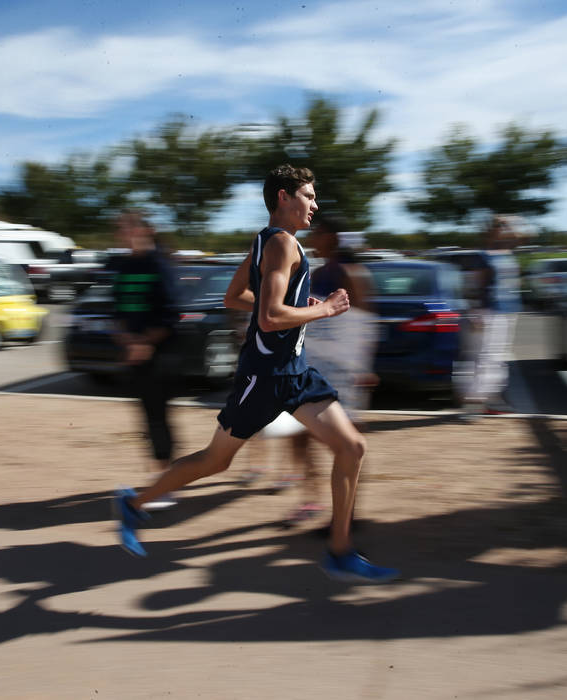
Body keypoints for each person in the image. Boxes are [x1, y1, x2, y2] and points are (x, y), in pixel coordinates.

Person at [113, 164, 398, 583]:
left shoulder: (265, 241)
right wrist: (323, 310)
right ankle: (134, 503)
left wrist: (301, 306)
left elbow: (235, 297)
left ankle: (339, 551)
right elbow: (268, 318)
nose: (315, 205)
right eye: (309, 196)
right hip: (263, 378)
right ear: (283, 198)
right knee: (215, 462)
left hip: (294, 373)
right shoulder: (283, 245)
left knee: (352, 447)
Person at [286, 215, 379, 524]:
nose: (312, 238)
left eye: (319, 233)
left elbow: (366, 324)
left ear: (333, 238)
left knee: (346, 445)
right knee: (298, 433)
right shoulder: (314, 273)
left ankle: (348, 514)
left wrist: (365, 368)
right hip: (316, 368)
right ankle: (311, 499)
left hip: (346, 375)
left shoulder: (352, 274)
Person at [107, 210, 179, 510]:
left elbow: (172, 313)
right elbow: (118, 310)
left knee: (158, 419)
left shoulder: (159, 264)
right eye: (119, 231)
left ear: (143, 231)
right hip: (137, 355)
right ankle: (161, 477)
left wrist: (146, 342)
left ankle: (166, 485)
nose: (123, 236)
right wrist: (126, 339)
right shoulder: (124, 266)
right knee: (149, 420)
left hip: (161, 355)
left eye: (127, 230)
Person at [463, 215, 523, 416]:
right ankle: (474, 403)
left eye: (505, 227)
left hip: (506, 311)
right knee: (485, 357)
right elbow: (473, 287)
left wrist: (510, 223)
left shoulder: (506, 251)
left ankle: (491, 400)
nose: (505, 229)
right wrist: (475, 313)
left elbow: (522, 235)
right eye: (500, 226)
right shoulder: (483, 256)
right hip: (488, 311)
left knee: (497, 358)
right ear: (490, 230)